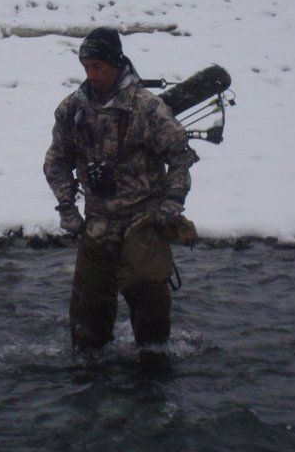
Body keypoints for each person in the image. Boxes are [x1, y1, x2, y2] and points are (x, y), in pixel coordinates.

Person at [43, 27, 199, 352]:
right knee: (86, 319)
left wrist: (172, 202)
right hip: (97, 221)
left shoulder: (147, 107)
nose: (91, 74)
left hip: (144, 217)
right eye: (86, 66)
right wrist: (66, 208)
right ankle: (89, 376)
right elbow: (57, 162)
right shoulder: (72, 110)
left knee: (145, 285)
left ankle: (155, 359)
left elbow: (181, 157)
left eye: (98, 66)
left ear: (115, 63)